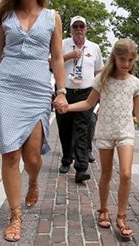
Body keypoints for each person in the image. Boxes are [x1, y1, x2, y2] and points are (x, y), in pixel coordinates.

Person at [0, 0, 67, 242]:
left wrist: (60, 90)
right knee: (11, 153)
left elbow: (58, 58)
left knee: (32, 156)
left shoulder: (52, 17)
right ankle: (15, 215)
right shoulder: (4, 15)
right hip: (6, 86)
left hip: (38, 87)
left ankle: (34, 180)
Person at [58, 38, 139, 238]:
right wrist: (68, 107)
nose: (126, 64)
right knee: (106, 174)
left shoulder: (135, 83)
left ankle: (121, 215)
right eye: (122, 59)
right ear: (114, 58)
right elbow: (88, 103)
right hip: (106, 132)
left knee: (126, 174)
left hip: (125, 131)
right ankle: (103, 210)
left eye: (130, 60)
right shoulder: (102, 80)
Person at [56, 15, 104, 182]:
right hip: (65, 92)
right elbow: (51, 63)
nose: (78, 29)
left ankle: (81, 168)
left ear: (86, 29)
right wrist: (69, 56)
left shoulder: (94, 48)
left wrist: (99, 93)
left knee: (82, 130)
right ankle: (66, 159)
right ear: (70, 29)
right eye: (75, 26)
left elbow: (99, 72)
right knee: (65, 129)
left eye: (81, 26)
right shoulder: (62, 44)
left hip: (86, 93)